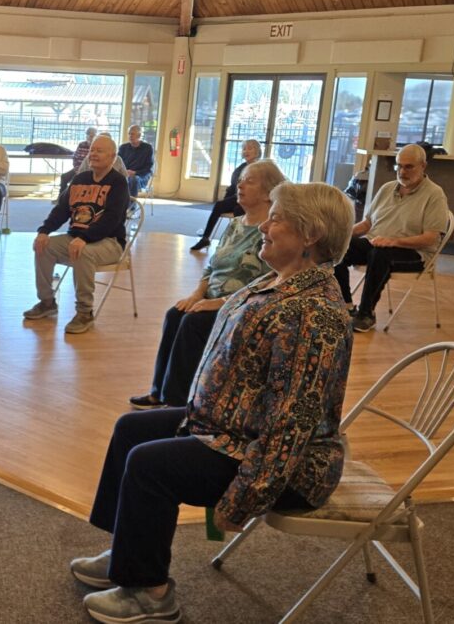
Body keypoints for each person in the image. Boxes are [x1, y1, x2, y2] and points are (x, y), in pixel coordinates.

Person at [68, 182, 354, 624]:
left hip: (284, 463)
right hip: (232, 426)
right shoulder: (279, 282)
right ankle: (127, 553)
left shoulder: (313, 315)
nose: (265, 225)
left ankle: (151, 591)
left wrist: (243, 499)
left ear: (310, 234)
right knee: (132, 429)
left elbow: (290, 425)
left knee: (150, 464)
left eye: (275, 218)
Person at [129, 159, 285, 410]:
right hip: (212, 297)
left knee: (194, 322)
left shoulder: (270, 232)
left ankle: (177, 402)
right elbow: (212, 266)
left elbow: (265, 281)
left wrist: (217, 302)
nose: (240, 185)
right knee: (176, 313)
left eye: (249, 181)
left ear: (268, 193)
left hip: (243, 306)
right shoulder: (235, 224)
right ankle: (159, 391)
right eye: (240, 179)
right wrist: (197, 294)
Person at [334, 143, 450, 333]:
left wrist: (393, 241)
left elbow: (430, 238)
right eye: (399, 165)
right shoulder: (387, 188)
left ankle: (366, 314)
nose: (402, 171)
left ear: (423, 166)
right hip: (377, 244)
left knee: (380, 254)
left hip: (414, 253)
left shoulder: (435, 195)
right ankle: (346, 306)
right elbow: (367, 224)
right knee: (337, 247)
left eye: (408, 166)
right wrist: (341, 233)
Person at [23, 135, 130, 335]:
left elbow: (112, 220)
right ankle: (47, 301)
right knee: (43, 245)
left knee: (84, 252)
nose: (94, 154)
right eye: (92, 150)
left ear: (113, 157)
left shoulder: (118, 183)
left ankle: (84, 312)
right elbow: (62, 209)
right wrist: (44, 231)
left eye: (100, 151)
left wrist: (85, 238)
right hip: (76, 238)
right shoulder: (80, 179)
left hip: (110, 242)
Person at [191, 139, 261, 251]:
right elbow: (233, 186)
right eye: (244, 149)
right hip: (238, 197)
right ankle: (205, 238)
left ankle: (237, 243)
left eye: (250, 148)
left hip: (254, 200)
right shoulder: (241, 167)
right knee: (219, 205)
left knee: (238, 210)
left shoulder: (260, 168)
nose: (246, 151)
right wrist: (226, 200)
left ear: (257, 152)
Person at [118, 125, 154, 198]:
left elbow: (149, 167)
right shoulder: (123, 147)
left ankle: (131, 206)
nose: (130, 136)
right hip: (125, 174)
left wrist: (135, 173)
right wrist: (124, 172)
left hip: (141, 176)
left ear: (139, 135)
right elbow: (117, 163)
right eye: (129, 134)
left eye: (132, 134)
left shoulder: (147, 148)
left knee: (134, 179)